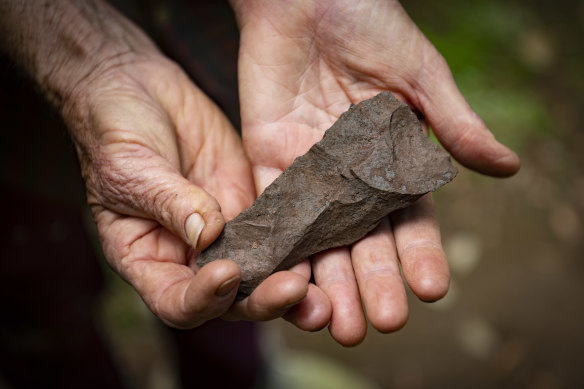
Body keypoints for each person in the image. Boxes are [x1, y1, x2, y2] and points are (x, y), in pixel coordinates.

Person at [0, 0, 519, 375]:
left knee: (223, 297)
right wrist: (85, 59)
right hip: (23, 130)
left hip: (245, 73)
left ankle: (241, 375)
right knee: (41, 300)